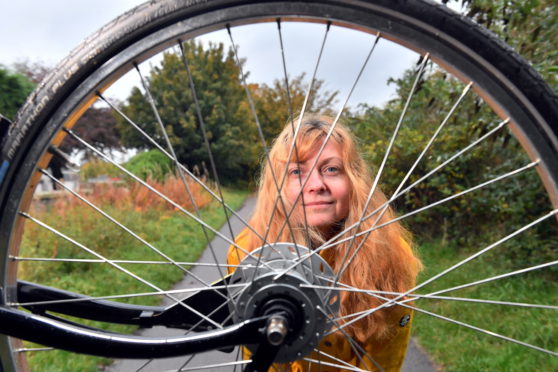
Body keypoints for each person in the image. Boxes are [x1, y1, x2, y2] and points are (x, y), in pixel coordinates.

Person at [227, 115, 422, 371]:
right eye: (297, 171)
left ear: (354, 181)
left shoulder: (392, 253)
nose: (316, 185)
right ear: (278, 187)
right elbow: (261, 355)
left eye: (331, 169)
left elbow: (384, 358)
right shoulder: (248, 250)